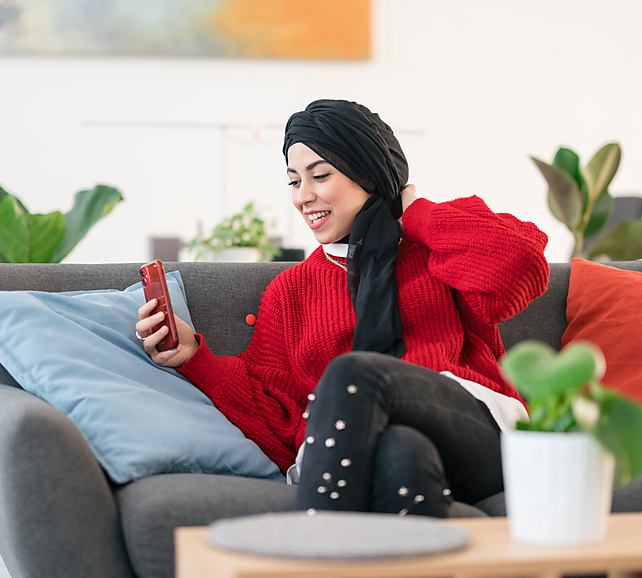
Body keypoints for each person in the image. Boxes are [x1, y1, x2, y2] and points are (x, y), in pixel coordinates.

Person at [136, 99, 549, 517]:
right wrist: (193, 357)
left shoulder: (436, 241)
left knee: (354, 372)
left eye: (319, 176)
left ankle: (317, 543)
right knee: (400, 451)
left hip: (474, 435)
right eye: (294, 181)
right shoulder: (290, 291)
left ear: (368, 173)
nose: (303, 197)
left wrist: (414, 214)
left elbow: (520, 265)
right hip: (374, 450)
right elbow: (278, 424)